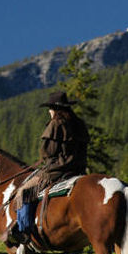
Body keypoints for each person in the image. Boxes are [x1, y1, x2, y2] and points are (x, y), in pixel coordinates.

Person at [9, 91, 90, 245]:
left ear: (56, 109)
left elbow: (48, 152)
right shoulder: (79, 124)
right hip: (78, 169)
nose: (49, 111)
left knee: (24, 191)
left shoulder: (56, 124)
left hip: (57, 170)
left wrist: (46, 163)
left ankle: (24, 230)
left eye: (51, 108)